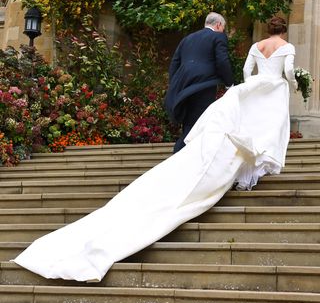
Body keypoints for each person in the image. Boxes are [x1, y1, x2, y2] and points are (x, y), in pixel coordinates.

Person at [13, 16, 297, 283]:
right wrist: (283, 84)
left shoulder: (203, 41)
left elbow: (230, 70)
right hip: (234, 89)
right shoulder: (236, 41)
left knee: (194, 132)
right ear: (220, 26)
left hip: (191, 89)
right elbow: (272, 71)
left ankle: (188, 158)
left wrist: (226, 90)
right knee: (252, 128)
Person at [165, 12, 234, 153]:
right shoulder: (218, 36)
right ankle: (179, 151)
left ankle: (186, 154)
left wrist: (174, 84)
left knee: (190, 122)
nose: (223, 30)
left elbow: (174, 63)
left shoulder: (187, 39)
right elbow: (222, 61)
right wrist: (229, 83)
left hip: (183, 86)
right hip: (205, 84)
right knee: (201, 120)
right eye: (223, 27)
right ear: (219, 25)